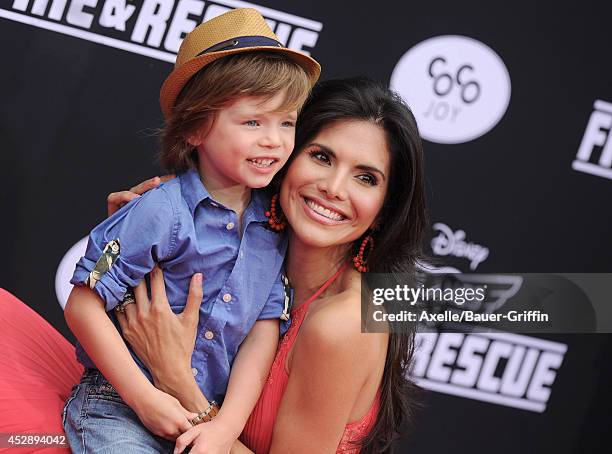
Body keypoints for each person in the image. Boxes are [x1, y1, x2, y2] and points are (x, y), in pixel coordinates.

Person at [108, 77, 426, 453]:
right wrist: (134, 237)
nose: (335, 188)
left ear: (381, 212)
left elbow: (502, 303)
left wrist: (179, 383)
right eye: (321, 157)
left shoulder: (342, 323)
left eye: (365, 178)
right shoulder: (231, 243)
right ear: (285, 158)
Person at [62, 8, 320, 453]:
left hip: (202, 415)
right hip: (119, 407)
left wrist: (225, 426)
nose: (274, 141)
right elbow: (83, 305)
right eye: (253, 122)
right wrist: (143, 399)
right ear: (197, 127)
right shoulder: (161, 209)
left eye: (287, 123)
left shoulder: (275, 224)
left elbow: (263, 330)